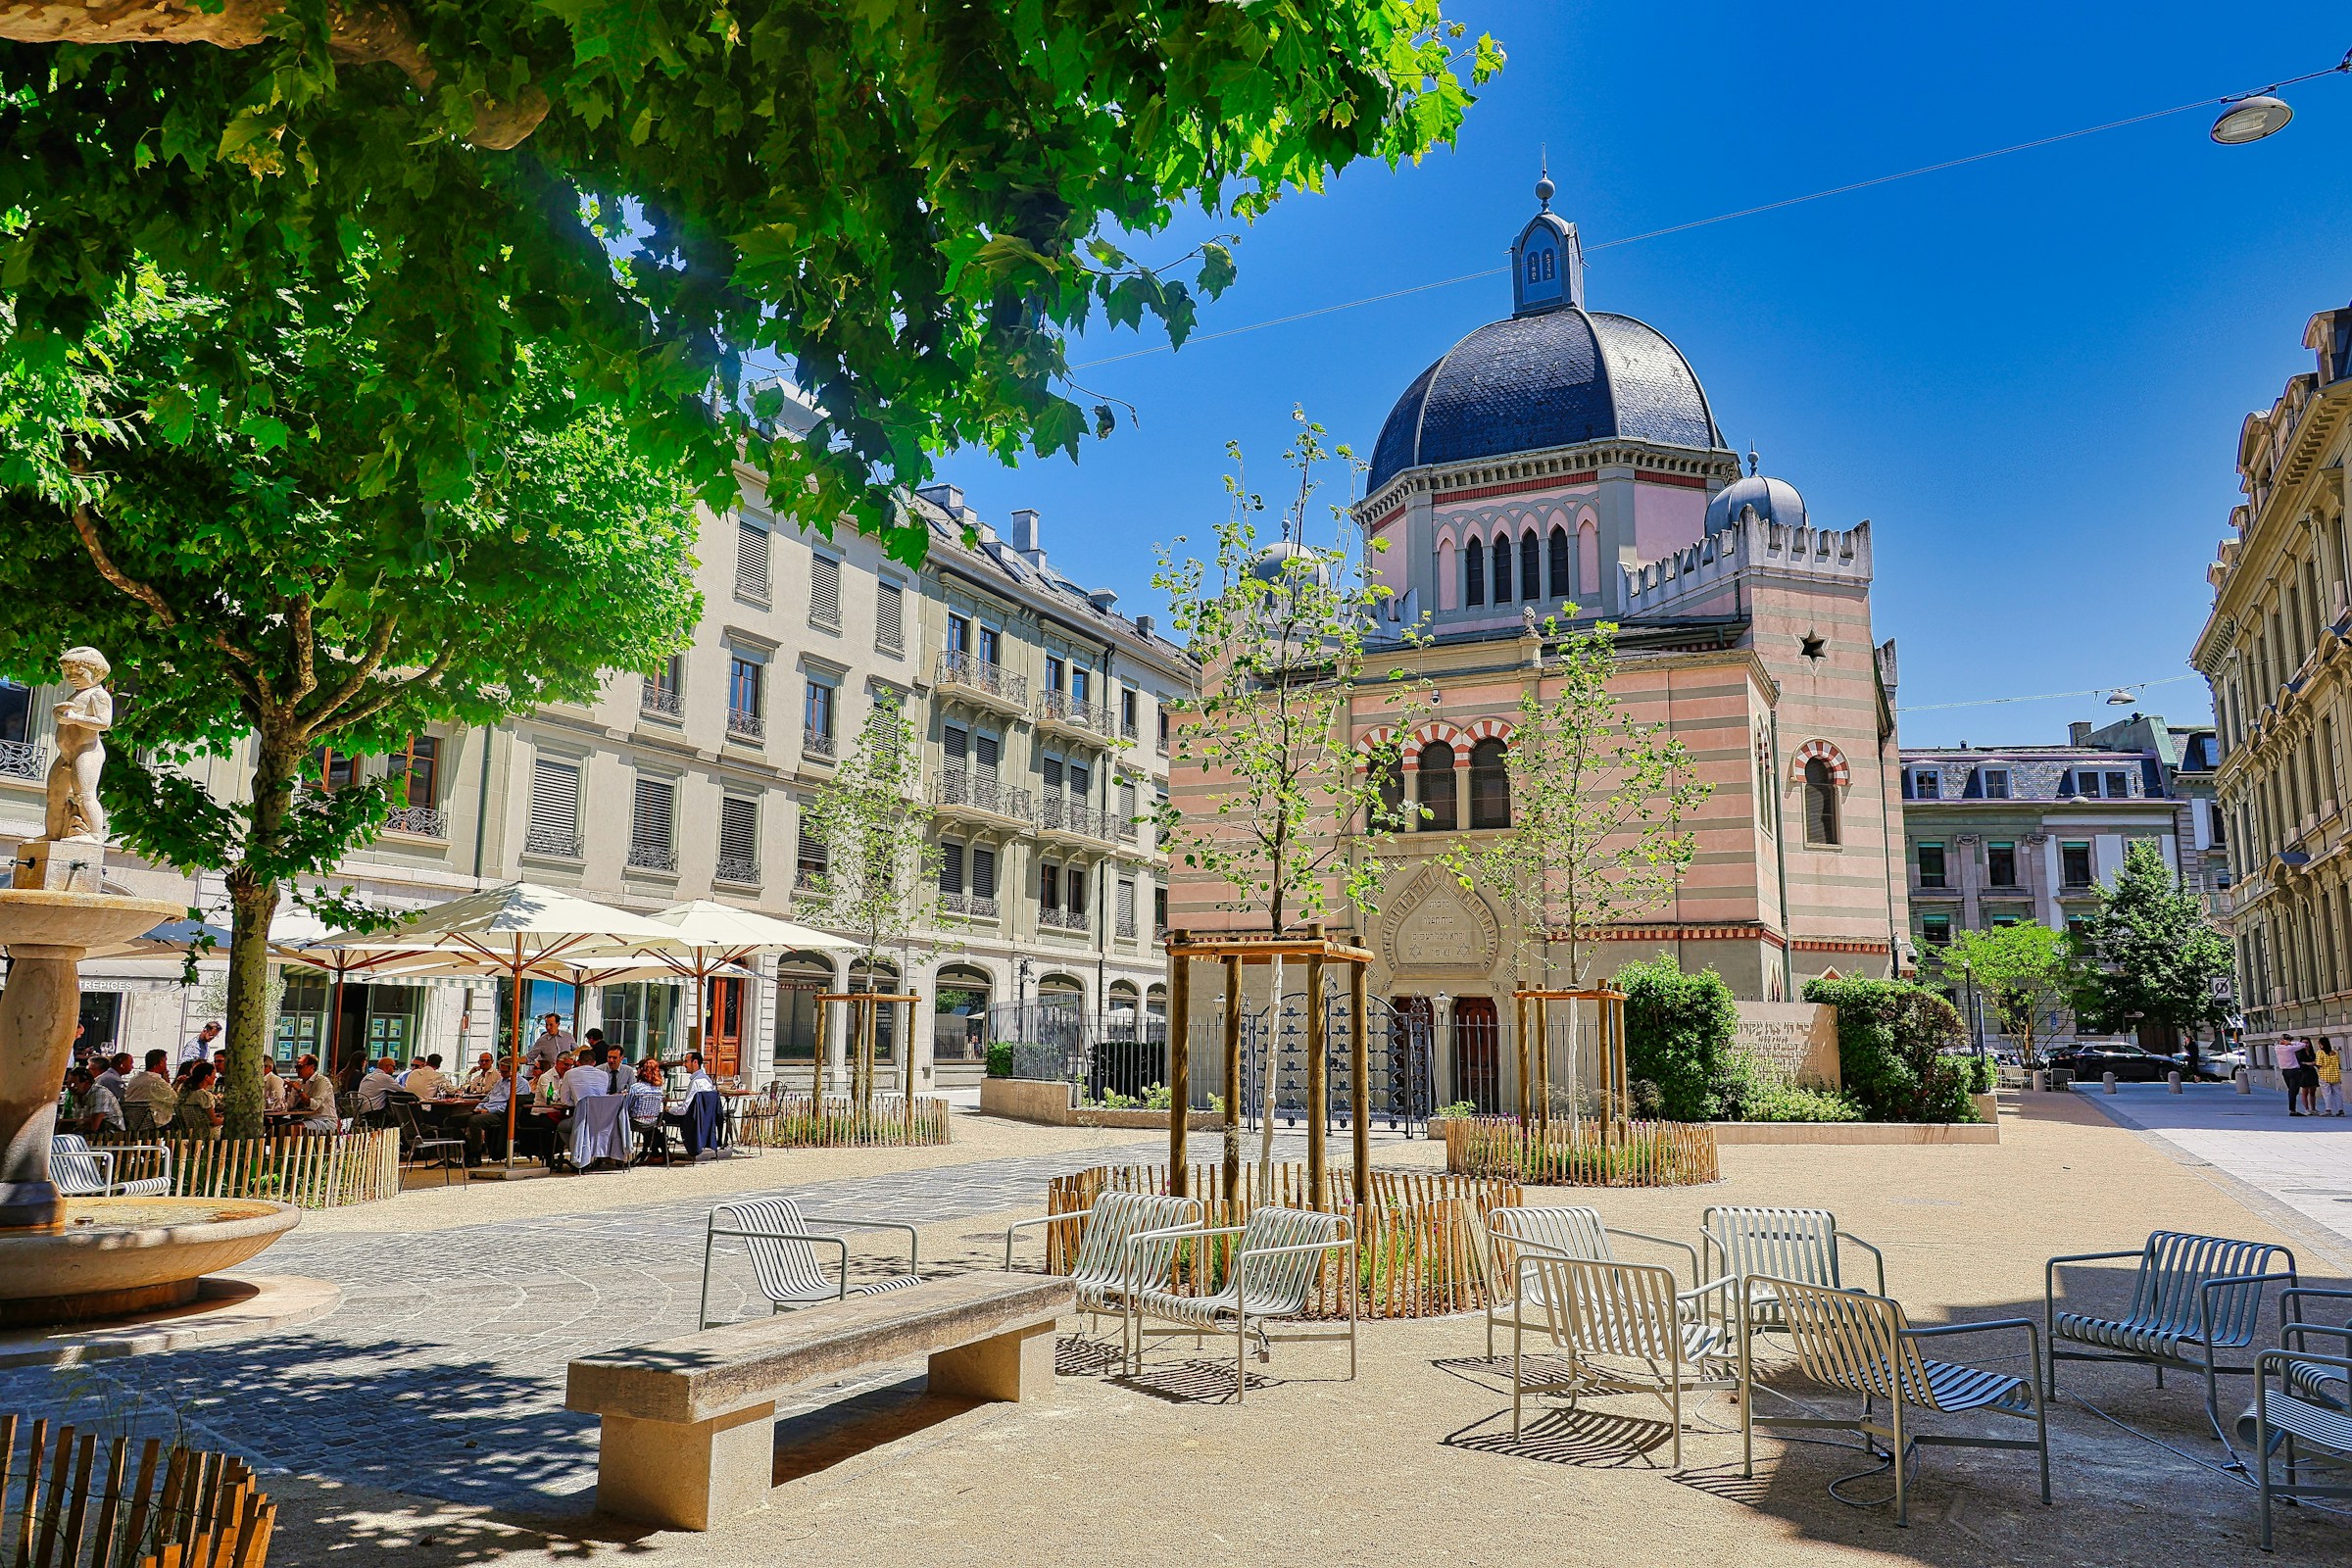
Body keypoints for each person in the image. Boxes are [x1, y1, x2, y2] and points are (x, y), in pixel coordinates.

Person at [463, 1062, 518, 1164]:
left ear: (513, 1070)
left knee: (474, 1121)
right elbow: (488, 1097)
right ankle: (467, 1149)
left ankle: (476, 1154)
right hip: (487, 1108)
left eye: (504, 1072)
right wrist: (478, 1107)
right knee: (453, 1120)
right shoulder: (500, 1082)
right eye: (501, 1071)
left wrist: (489, 1110)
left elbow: (513, 1104)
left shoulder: (519, 1083)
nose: (501, 1074)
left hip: (502, 1114)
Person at [122, 1049, 177, 1131]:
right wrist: (167, 1082)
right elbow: (174, 1099)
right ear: (161, 1063)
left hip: (131, 1121)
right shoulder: (157, 1081)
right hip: (153, 1122)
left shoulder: (134, 1079)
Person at [286, 1054, 338, 1134]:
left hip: (325, 1120)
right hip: (307, 1119)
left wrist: (299, 1090)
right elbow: (290, 1106)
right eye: (296, 1067)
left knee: (295, 1129)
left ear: (311, 1067)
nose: (297, 1070)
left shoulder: (322, 1081)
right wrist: (288, 1091)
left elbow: (314, 1106)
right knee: (278, 1130)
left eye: (300, 1067)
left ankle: (293, 1146)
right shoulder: (300, 1082)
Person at [176, 1060, 224, 1139]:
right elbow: (213, 1121)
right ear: (206, 1077)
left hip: (189, 1133)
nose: (215, 1077)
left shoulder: (186, 1092)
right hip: (206, 1134)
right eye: (213, 1074)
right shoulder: (203, 1095)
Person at [69, 1066, 124, 1134]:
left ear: (86, 1083)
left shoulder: (100, 1093)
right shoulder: (77, 1094)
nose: (69, 1087)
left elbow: (94, 1126)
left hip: (110, 1134)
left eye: (73, 1084)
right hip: (90, 1132)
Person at [2278, 1035, 2309, 1116]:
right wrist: (2291, 1043)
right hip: (2294, 1071)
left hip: (2285, 1071)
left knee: (2291, 1090)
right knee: (2293, 1091)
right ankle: (2292, 1110)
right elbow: (2303, 1045)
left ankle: (2292, 1109)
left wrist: (2286, 1042)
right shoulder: (2289, 1048)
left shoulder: (2277, 1048)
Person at [2316, 1038, 2345, 1117]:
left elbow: (2318, 1064)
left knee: (2327, 1093)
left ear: (2321, 1044)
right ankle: (2340, 1110)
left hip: (2324, 1075)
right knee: (2338, 1093)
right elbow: (2338, 1064)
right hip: (2335, 1075)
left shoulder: (2320, 1052)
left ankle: (2328, 1110)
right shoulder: (2334, 1053)